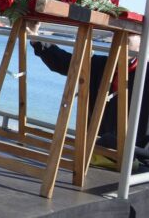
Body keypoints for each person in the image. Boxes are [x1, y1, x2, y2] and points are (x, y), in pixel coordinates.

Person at [31, 35, 149, 164]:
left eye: (126, 41)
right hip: (95, 147)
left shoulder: (146, 74)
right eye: (117, 39)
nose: (119, 45)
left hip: (133, 154)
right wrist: (36, 39)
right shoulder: (99, 64)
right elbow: (65, 62)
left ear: (141, 47)